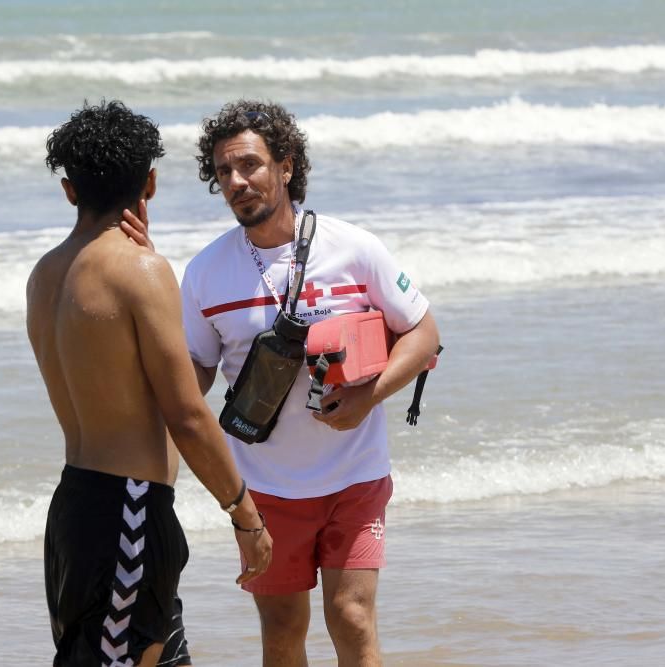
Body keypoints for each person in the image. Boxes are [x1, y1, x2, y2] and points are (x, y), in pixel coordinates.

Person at [124, 100, 440, 667]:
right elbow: (195, 371)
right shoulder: (205, 273)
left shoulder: (353, 248)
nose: (236, 182)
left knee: (352, 617)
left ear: (286, 166)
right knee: (282, 632)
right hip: (265, 487)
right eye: (223, 172)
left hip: (356, 474)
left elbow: (422, 331)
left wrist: (369, 395)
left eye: (249, 165)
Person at [27, 100, 273, 667]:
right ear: (151, 183)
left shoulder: (43, 276)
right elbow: (185, 413)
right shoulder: (141, 273)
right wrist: (245, 514)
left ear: (70, 191)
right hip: (129, 515)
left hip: (73, 509)